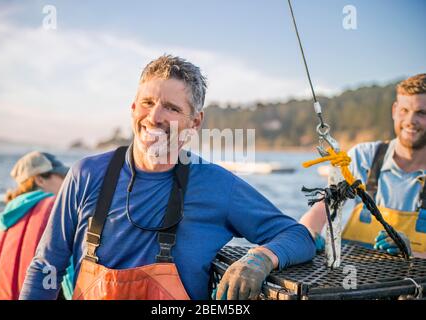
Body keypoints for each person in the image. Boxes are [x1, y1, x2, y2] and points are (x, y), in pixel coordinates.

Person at [19, 55, 315, 300]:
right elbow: (47, 265)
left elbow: (298, 236)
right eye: (147, 102)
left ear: (195, 122)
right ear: (133, 107)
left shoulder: (217, 185)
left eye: (172, 108)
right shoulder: (86, 175)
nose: (154, 117)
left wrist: (260, 258)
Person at [300, 73, 426, 258]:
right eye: (404, 110)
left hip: (412, 282)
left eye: (422, 113)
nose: (410, 121)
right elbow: (324, 206)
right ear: (394, 110)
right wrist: (307, 234)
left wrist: (410, 252)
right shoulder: (364, 157)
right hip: (352, 278)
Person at [0, 151, 73, 299]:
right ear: (40, 180)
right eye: (63, 177)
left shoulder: (5, 218)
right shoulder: (56, 209)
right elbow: (71, 281)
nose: (68, 183)